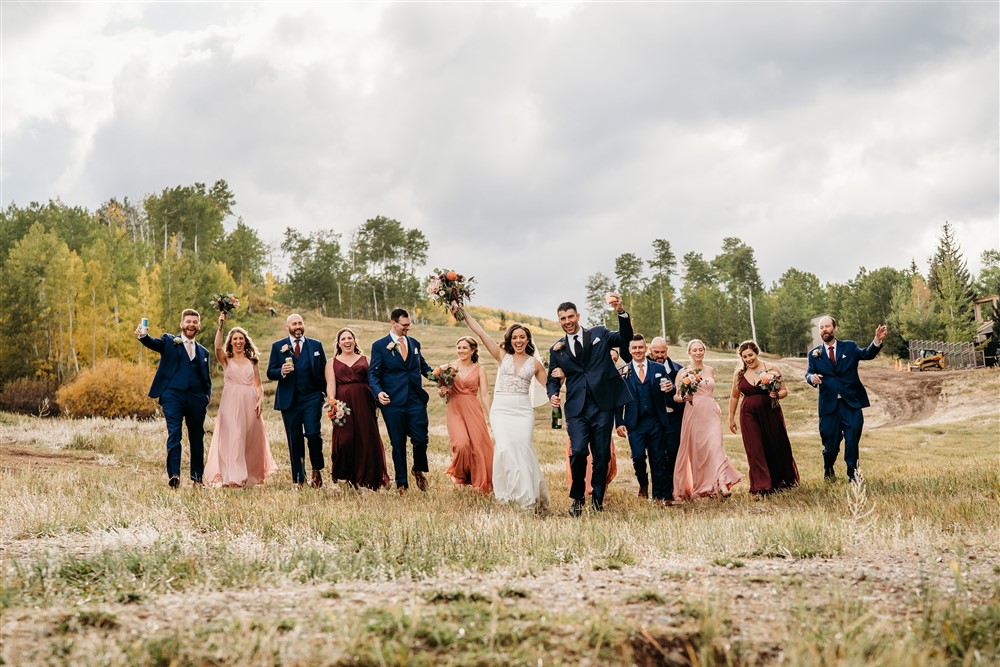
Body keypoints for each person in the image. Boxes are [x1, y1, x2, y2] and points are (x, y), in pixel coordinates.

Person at [546, 296, 633, 516]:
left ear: (578, 316)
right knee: (577, 452)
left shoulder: (599, 334)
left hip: (602, 405)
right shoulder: (557, 349)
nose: (567, 321)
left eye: (570, 316)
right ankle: (577, 498)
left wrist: (620, 311)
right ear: (559, 321)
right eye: (563, 318)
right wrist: (553, 394)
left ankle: (597, 499)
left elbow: (625, 337)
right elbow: (552, 379)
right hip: (576, 408)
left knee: (601, 455)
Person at [459, 311, 551, 509]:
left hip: (523, 412)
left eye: (522, 337)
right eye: (514, 337)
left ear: (528, 339)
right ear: (509, 340)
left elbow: (551, 387)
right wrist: (462, 311)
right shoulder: (502, 355)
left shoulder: (535, 364)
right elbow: (481, 333)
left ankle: (527, 497)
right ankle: (508, 494)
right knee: (505, 448)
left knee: (523, 449)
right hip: (501, 410)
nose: (518, 341)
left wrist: (577, 387)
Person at [135, 309, 212, 488]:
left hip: (196, 399)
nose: (191, 324)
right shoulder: (169, 341)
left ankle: (197, 479)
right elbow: (152, 342)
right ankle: (174, 475)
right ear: (181, 324)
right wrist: (143, 336)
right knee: (175, 433)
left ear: (199, 326)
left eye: (195, 322)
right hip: (173, 396)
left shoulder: (204, 352)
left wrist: (206, 396)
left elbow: (206, 378)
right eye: (188, 321)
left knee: (197, 437)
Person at [805, 317, 887, 482]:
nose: (824, 329)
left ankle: (854, 476)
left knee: (852, 439)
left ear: (834, 328)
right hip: (829, 406)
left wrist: (877, 340)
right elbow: (809, 373)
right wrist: (811, 378)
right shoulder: (814, 354)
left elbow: (866, 354)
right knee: (830, 444)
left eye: (827, 326)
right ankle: (828, 467)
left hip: (850, 403)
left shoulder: (849, 347)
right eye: (821, 327)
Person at [203, 312, 277, 488]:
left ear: (245, 341)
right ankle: (234, 477)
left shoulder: (253, 361)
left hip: (250, 403)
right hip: (230, 402)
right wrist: (221, 325)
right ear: (231, 342)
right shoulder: (226, 360)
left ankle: (249, 474)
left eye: (241, 338)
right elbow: (217, 347)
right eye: (235, 339)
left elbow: (258, 385)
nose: (238, 341)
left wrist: (260, 400)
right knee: (234, 436)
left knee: (248, 439)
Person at [369, 308, 434, 494]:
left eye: (409, 324)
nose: (408, 328)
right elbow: (373, 374)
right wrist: (378, 392)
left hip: (415, 400)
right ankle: (402, 484)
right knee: (397, 443)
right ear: (393, 323)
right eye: (404, 325)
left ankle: (418, 468)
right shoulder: (379, 346)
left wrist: (442, 378)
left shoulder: (414, 343)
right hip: (393, 402)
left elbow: (424, 368)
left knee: (421, 439)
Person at [672, 339, 742, 501]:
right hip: (693, 412)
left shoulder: (710, 369)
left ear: (704, 351)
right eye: (695, 350)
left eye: (700, 349)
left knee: (716, 446)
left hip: (711, 411)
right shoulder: (683, 372)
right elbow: (676, 396)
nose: (698, 352)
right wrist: (684, 398)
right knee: (700, 452)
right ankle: (706, 486)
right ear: (689, 353)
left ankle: (722, 483)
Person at [727, 340, 798, 495]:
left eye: (750, 355)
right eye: (745, 357)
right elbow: (734, 396)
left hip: (770, 412)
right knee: (754, 448)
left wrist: (777, 394)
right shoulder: (739, 374)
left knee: (774, 445)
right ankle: (761, 486)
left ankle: (780, 481)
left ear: (756, 353)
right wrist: (731, 417)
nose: (748, 359)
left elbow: (784, 390)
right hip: (748, 414)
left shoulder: (771, 368)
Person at [324, 327, 390, 490]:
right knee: (344, 439)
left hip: (364, 403)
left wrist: (377, 403)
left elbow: (373, 382)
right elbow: (330, 385)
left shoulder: (366, 359)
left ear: (354, 341)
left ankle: (368, 479)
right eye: (343, 339)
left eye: (350, 338)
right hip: (343, 405)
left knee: (366, 438)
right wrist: (333, 403)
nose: (347, 341)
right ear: (338, 343)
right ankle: (344, 476)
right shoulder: (332, 362)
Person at [266, 314, 328, 488]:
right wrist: (281, 371)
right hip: (290, 400)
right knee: (294, 439)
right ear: (287, 327)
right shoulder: (277, 346)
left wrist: (326, 394)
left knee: (313, 433)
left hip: (312, 397)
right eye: (294, 324)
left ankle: (317, 469)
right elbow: (270, 372)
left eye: (300, 323)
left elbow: (324, 371)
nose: (298, 326)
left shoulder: (316, 345)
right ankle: (300, 478)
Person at [615, 335, 672, 502]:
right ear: (629, 350)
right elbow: (618, 400)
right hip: (635, 423)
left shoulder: (658, 368)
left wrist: (671, 387)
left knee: (658, 458)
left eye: (641, 347)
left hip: (655, 421)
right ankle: (643, 484)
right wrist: (619, 422)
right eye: (634, 348)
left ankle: (658, 496)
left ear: (646, 349)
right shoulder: (623, 372)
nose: (638, 350)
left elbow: (670, 387)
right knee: (638, 457)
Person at [438, 336, 494, 495]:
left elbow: (485, 395)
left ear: (473, 350)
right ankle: (459, 477)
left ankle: (478, 484)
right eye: (459, 348)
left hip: (473, 410)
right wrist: (442, 392)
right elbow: (442, 392)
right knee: (461, 444)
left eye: (464, 348)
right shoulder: (448, 368)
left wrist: (491, 416)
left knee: (477, 447)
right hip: (455, 409)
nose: (461, 351)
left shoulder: (480, 369)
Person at [649, 337, 685, 501]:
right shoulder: (646, 368)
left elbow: (683, 397)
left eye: (662, 352)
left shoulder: (678, 369)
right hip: (654, 419)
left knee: (673, 453)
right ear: (650, 351)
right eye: (656, 352)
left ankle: (670, 490)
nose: (659, 355)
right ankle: (657, 493)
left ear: (667, 351)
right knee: (656, 456)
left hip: (673, 418)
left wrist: (673, 390)